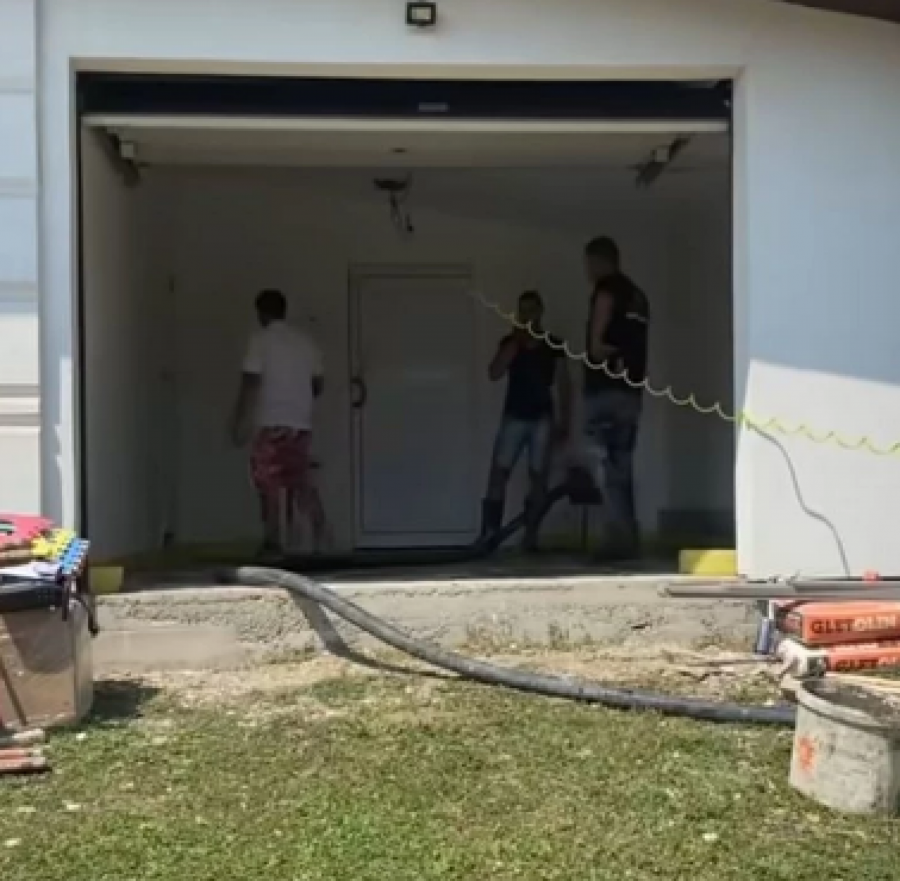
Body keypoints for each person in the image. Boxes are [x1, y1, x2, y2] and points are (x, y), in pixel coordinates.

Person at [230, 289, 325, 557]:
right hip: (300, 424)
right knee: (299, 478)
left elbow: (250, 382)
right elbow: (318, 385)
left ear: (261, 313)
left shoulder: (260, 341)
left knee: (267, 479)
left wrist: (239, 419)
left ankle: (272, 538)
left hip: (272, 422)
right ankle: (320, 531)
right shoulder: (306, 343)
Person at [483, 290, 572, 551]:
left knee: (538, 479)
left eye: (532, 310)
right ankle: (489, 535)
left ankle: (530, 536)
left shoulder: (553, 344)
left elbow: (564, 385)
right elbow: (494, 372)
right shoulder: (510, 342)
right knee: (498, 474)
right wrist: (515, 343)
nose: (527, 315)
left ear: (540, 311)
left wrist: (565, 422)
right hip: (514, 415)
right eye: (522, 310)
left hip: (542, 417)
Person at [582, 236, 650, 560]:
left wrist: (598, 354)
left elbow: (596, 346)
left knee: (604, 467)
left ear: (598, 261)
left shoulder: (605, 291)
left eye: (588, 263)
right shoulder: (638, 297)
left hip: (604, 390)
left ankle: (614, 541)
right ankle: (628, 537)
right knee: (623, 466)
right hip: (631, 392)